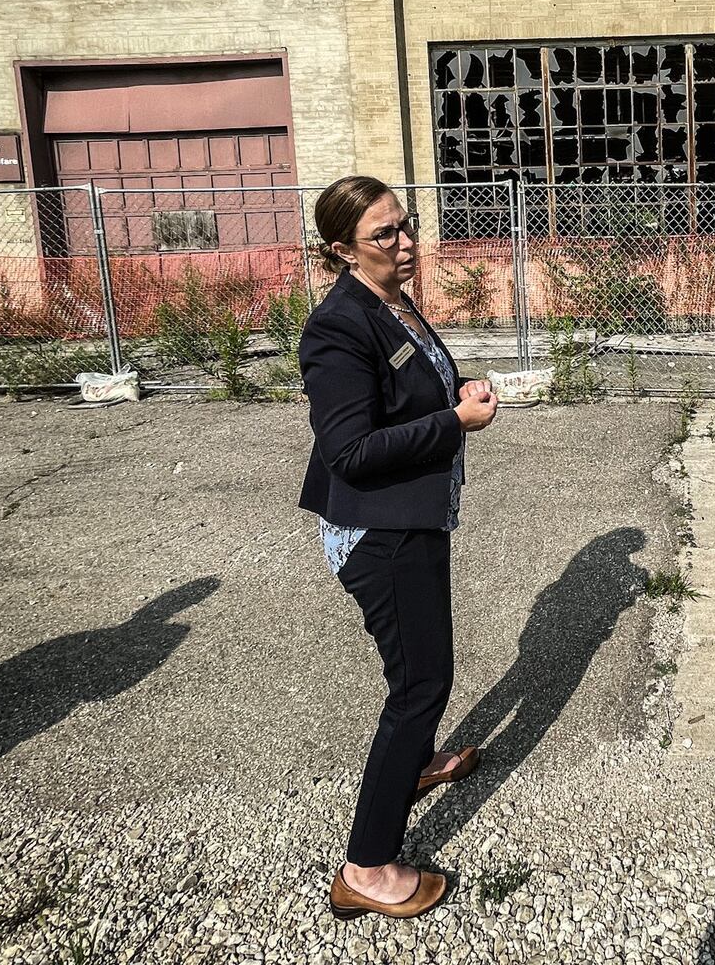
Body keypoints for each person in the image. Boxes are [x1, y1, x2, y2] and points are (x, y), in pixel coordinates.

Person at [298, 176, 500, 920]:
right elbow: (349, 450)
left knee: (417, 668)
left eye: (406, 226)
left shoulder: (393, 300)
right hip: (378, 533)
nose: (406, 243)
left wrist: (456, 389)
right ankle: (367, 865)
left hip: (413, 518)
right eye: (385, 235)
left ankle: (416, 764)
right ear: (343, 249)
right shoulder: (337, 327)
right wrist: (455, 423)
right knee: (420, 683)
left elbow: (413, 389)